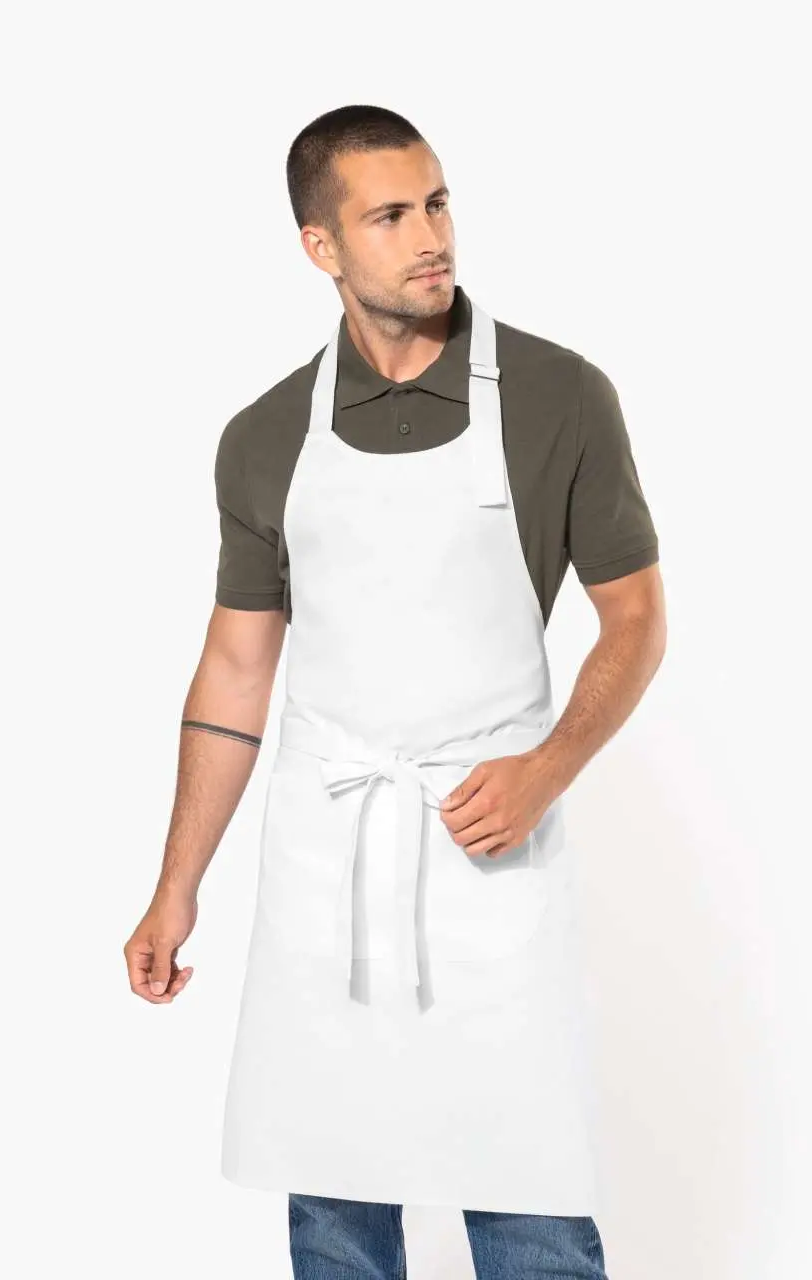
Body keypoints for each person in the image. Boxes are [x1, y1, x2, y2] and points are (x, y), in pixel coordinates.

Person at [124, 103, 666, 1279]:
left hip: (490, 850)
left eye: (437, 202)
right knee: (333, 1205)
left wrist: (547, 768)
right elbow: (235, 667)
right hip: (325, 868)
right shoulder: (266, 434)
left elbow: (634, 618)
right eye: (388, 216)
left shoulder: (560, 394)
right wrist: (176, 885)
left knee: (528, 1199)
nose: (430, 236)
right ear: (319, 245)